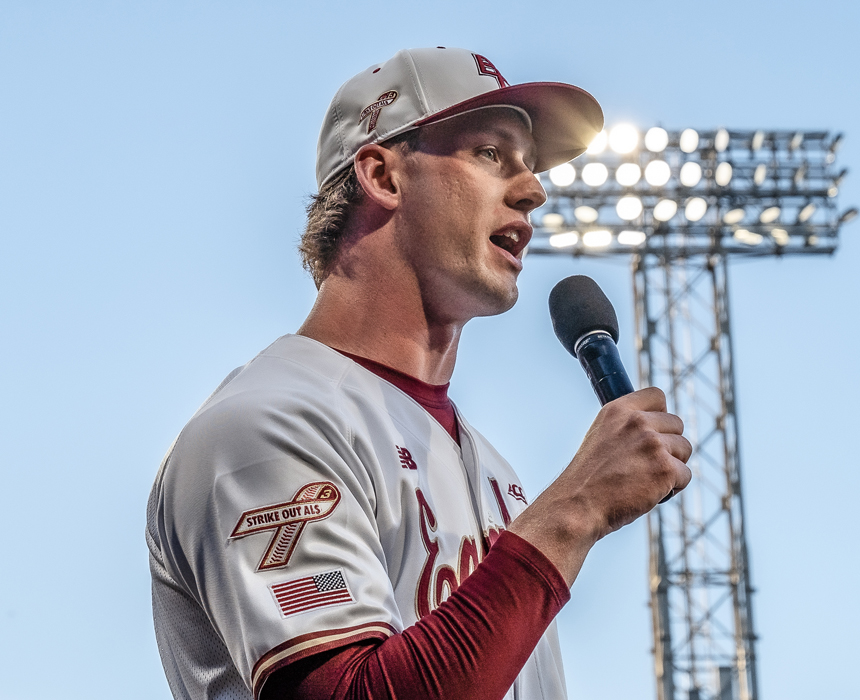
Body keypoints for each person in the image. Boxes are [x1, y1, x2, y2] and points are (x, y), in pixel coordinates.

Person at [147, 46, 692, 700]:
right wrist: (575, 510)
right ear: (383, 176)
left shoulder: (492, 469)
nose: (533, 190)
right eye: (490, 154)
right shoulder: (263, 428)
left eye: (529, 165)